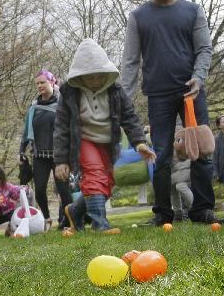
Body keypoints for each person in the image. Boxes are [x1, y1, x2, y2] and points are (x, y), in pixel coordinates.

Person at [121, 0, 224, 225]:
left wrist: (198, 77)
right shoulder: (138, 18)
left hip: (191, 92)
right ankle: (163, 213)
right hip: (158, 95)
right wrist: (123, 98)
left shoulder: (193, 11)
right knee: (161, 153)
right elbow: (131, 61)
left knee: (201, 149)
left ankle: (202, 210)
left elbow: (204, 48)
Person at [54, 38, 155, 234]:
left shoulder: (116, 91)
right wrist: (60, 160)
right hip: (83, 140)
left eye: (100, 76)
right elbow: (61, 128)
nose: (95, 81)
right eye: (90, 77)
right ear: (80, 76)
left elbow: (130, 118)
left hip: (108, 143)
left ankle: (75, 211)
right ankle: (100, 225)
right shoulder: (69, 94)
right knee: (94, 174)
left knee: (107, 181)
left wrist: (139, 143)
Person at [19, 69, 73, 229]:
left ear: (52, 82)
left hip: (60, 155)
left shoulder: (63, 103)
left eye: (42, 82)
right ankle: (47, 218)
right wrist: (21, 151)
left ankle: (69, 221)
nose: (39, 86)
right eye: (37, 84)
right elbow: (26, 131)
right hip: (39, 154)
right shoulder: (33, 107)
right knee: (40, 189)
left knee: (63, 190)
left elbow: (70, 127)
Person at [169, 144, 193, 221]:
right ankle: (178, 213)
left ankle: (196, 207)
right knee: (173, 190)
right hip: (171, 167)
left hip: (183, 164)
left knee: (180, 186)